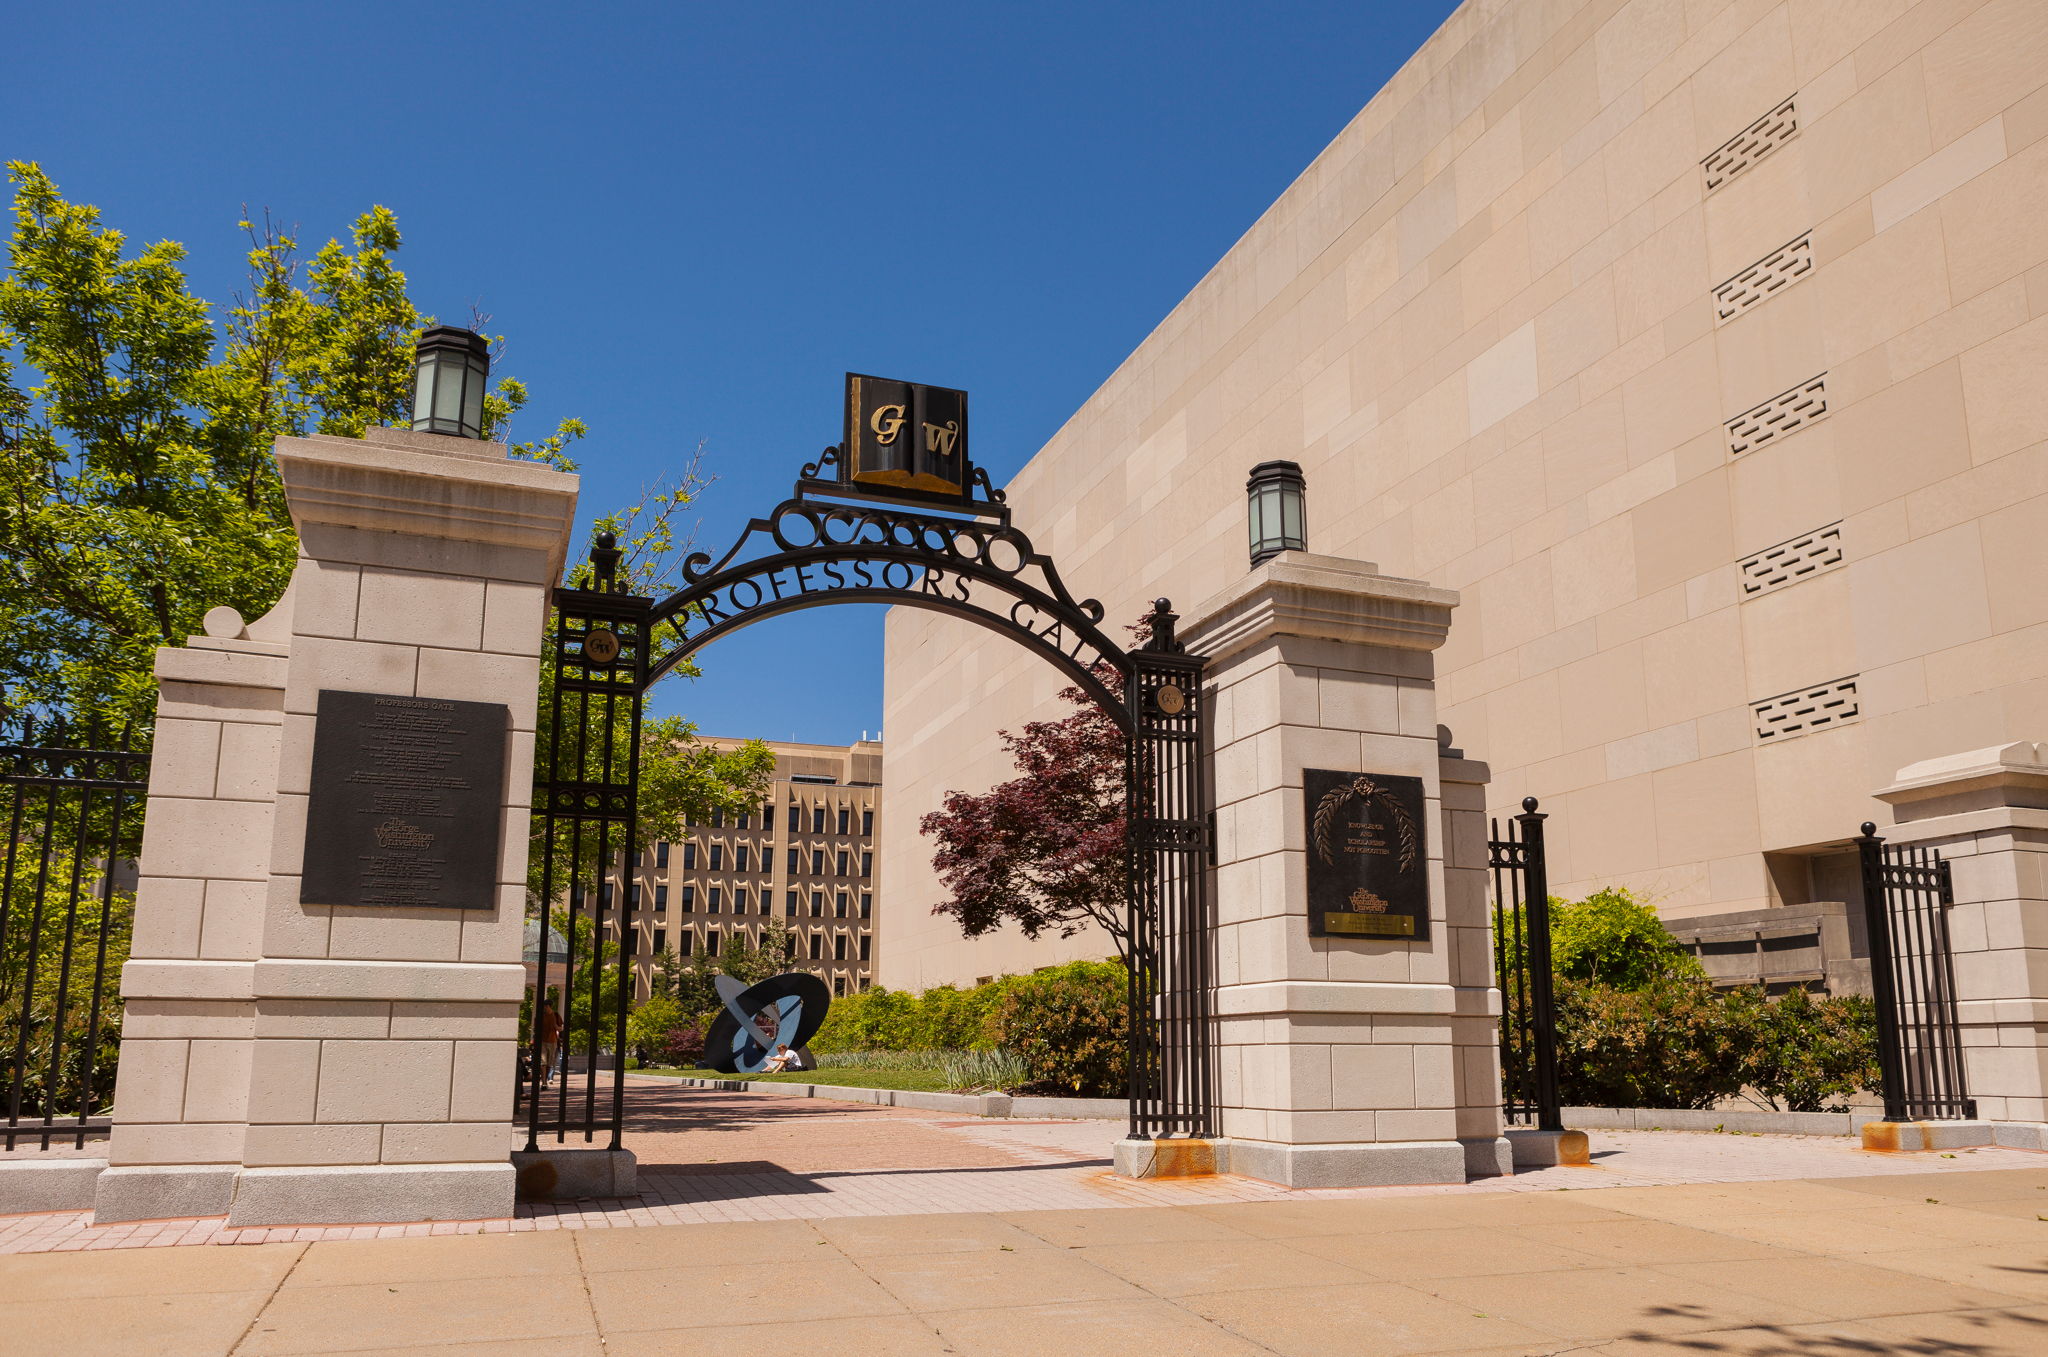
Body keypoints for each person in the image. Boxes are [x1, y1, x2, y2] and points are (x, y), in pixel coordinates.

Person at [538, 997, 563, 1086]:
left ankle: (544, 1079)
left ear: (548, 1006)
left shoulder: (556, 1015)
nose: (543, 1008)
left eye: (545, 1006)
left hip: (553, 1041)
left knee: (549, 1063)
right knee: (543, 1062)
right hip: (542, 1041)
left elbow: (561, 1028)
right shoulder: (540, 1015)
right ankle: (544, 1082)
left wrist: (556, 1027)